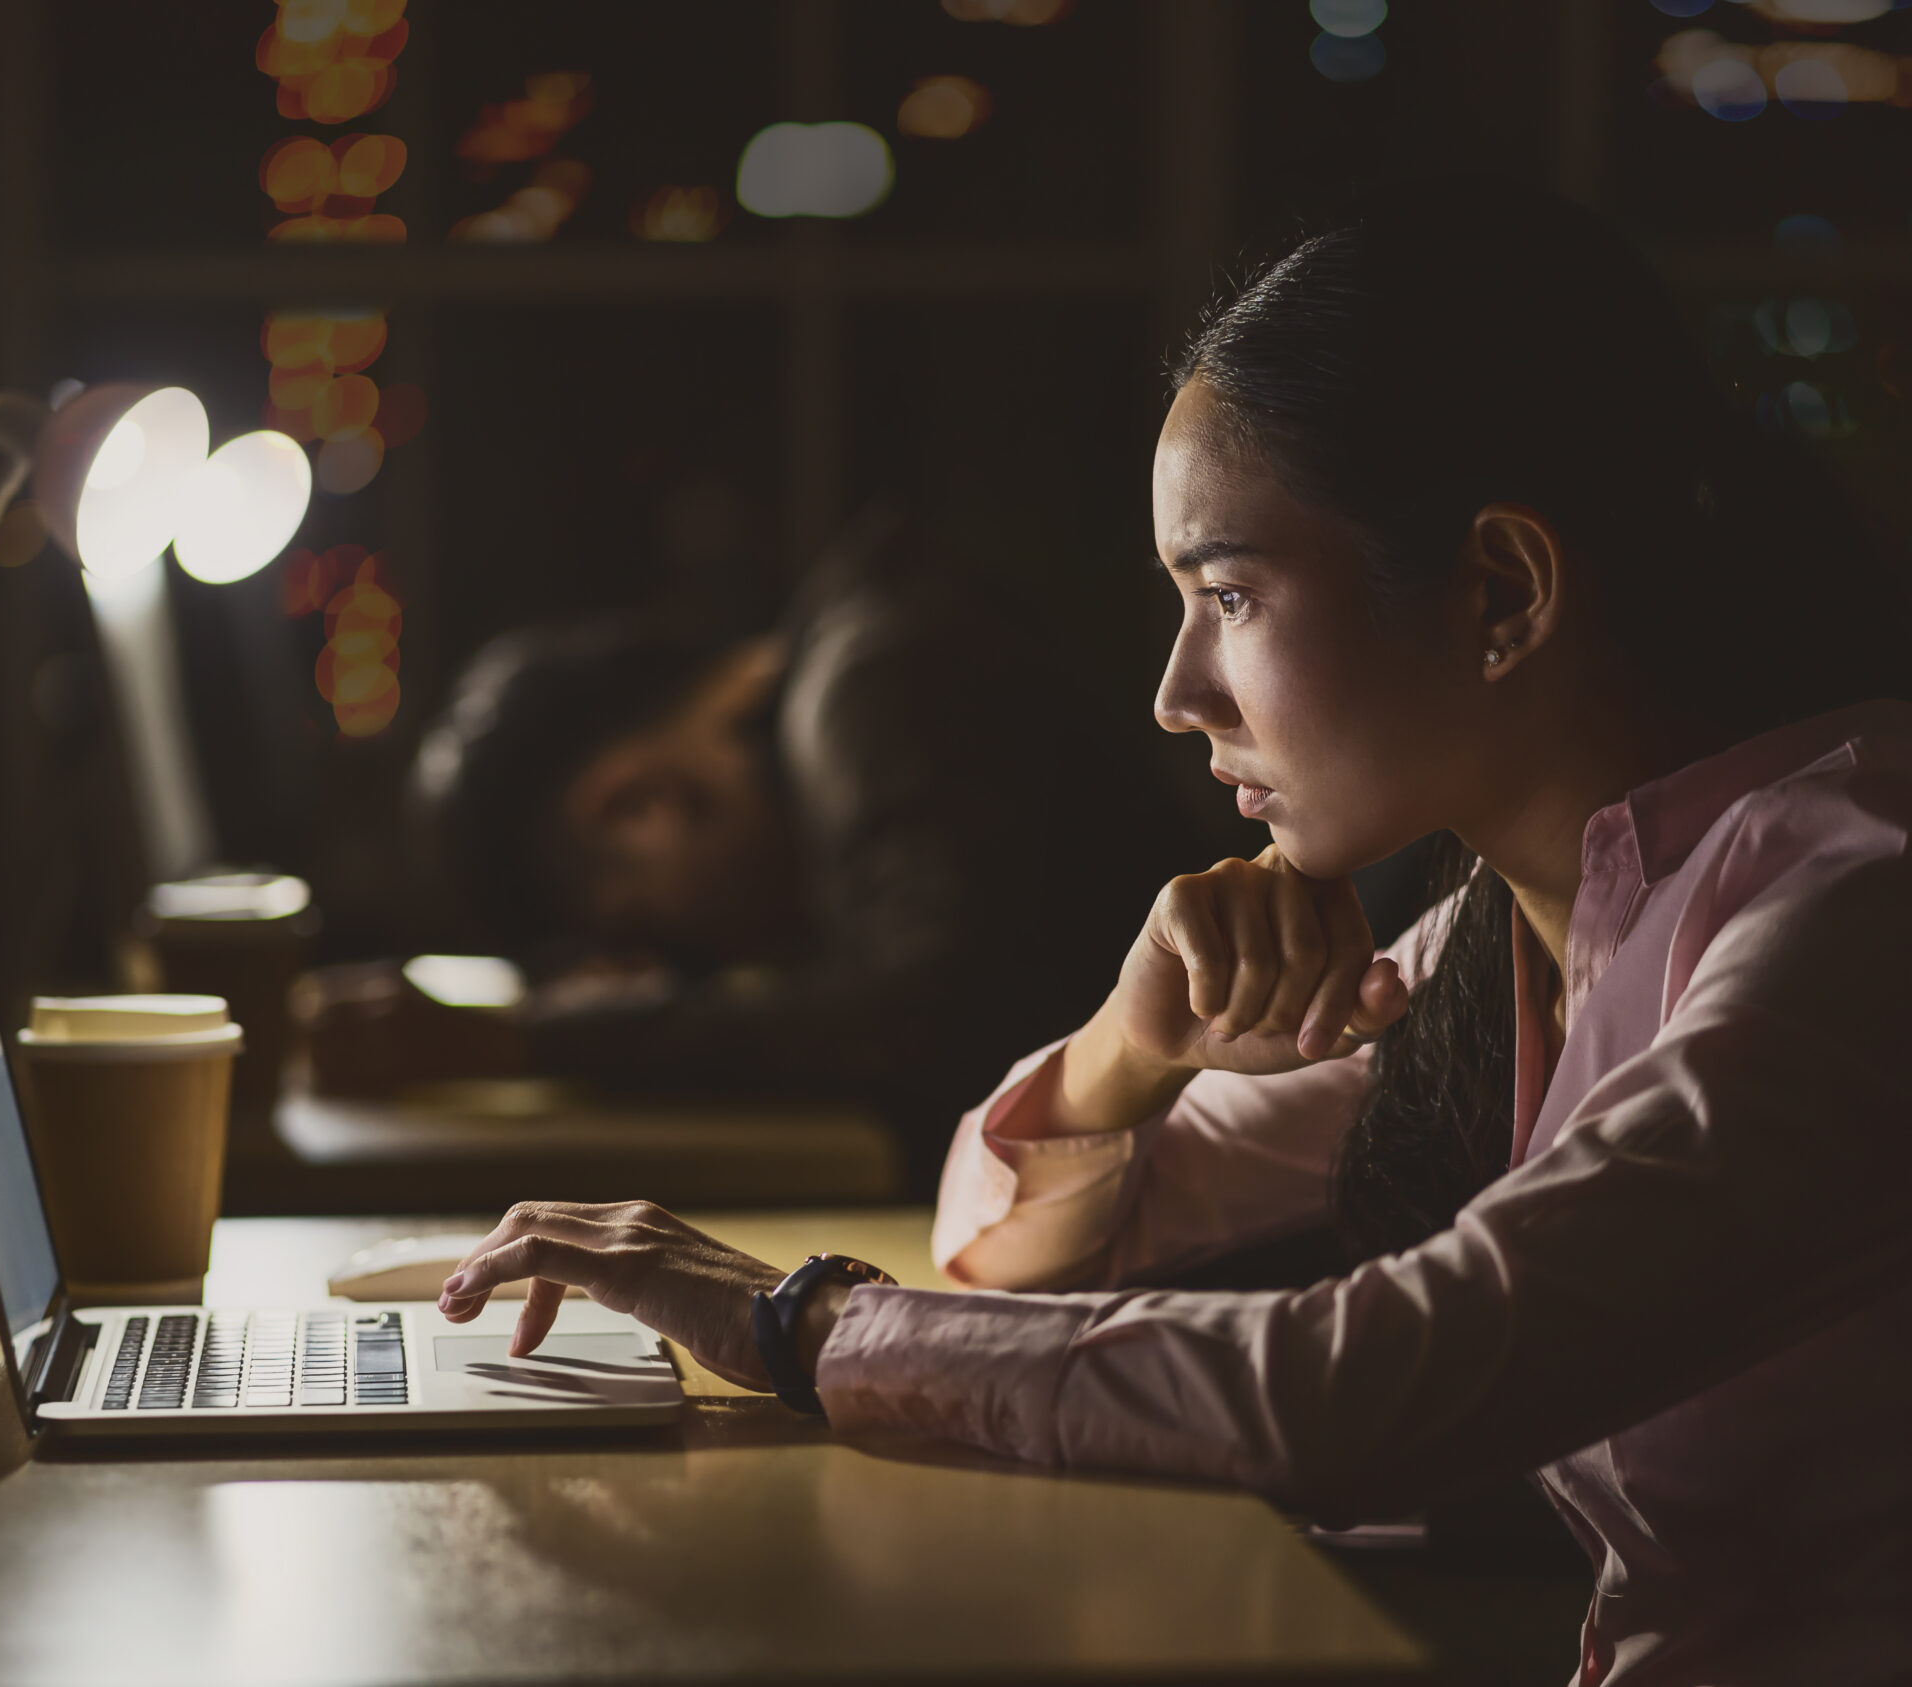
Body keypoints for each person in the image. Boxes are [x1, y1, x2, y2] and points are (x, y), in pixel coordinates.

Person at [432, 180, 1912, 1685]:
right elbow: (1017, 1255)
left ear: (1502, 589)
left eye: (1230, 593)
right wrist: (1130, 1047)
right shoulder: (1515, 925)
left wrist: (792, 1319)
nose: (1177, 689)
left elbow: (1366, 1383)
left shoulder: (1851, 910)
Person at [305, 508, 1199, 1186]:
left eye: (646, 922)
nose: (686, 949)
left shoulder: (870, 684)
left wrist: (519, 1044)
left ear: (634, 808)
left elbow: (929, 1011)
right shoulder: (863, 659)